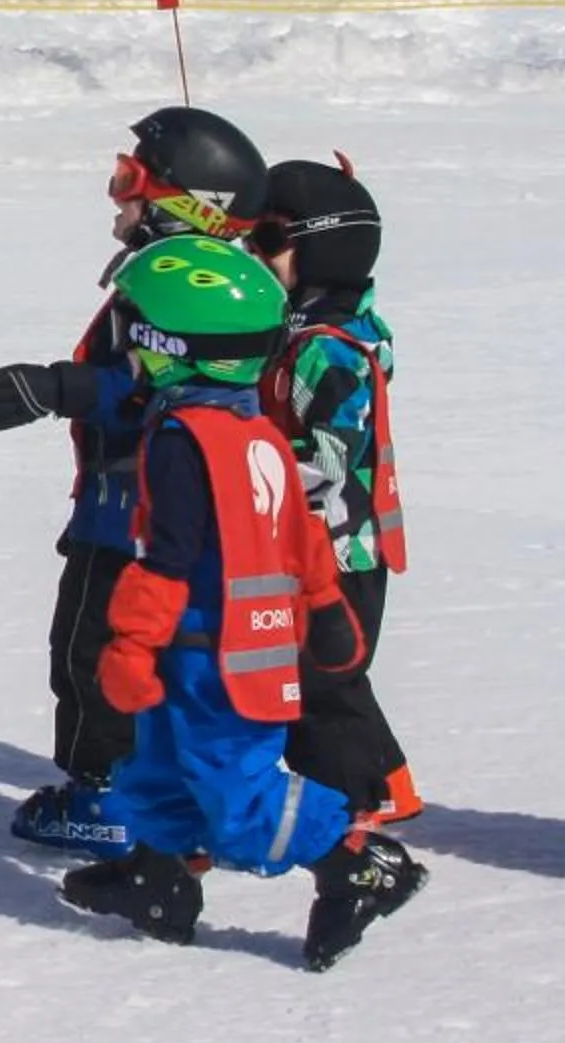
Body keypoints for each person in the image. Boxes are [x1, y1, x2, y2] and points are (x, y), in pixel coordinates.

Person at [54, 234, 427, 971]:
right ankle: (157, 878)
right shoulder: (251, 424)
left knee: (237, 792)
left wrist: (127, 649)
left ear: (166, 340)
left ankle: (357, 861)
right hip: (211, 646)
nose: (126, 343)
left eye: (133, 328)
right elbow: (302, 532)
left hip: (218, 657)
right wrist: (323, 609)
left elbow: (166, 562)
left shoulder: (181, 440)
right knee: (156, 767)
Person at [0, 107, 267, 855]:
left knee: (91, 650)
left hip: (129, 510)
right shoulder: (203, 285)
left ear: (187, 207)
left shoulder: (176, 289)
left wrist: (61, 388)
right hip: (152, 503)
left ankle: (107, 794)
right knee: (136, 649)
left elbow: (149, 390)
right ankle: (157, 790)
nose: (117, 196)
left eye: (132, 181)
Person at [252, 156, 415, 823]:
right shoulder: (306, 336)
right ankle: (393, 783)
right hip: (317, 546)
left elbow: (331, 459)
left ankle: (350, 808)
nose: (252, 256)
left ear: (322, 249)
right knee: (336, 674)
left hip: (341, 550)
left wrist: (244, 459)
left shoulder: (330, 351)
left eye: (266, 241)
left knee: (320, 686)